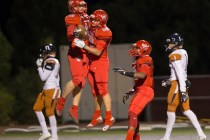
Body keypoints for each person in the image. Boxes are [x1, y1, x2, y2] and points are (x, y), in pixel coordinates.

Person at [73, 9, 115, 131]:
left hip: (100, 62)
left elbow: (97, 52)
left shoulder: (104, 32)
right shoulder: (92, 29)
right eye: (93, 19)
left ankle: (109, 117)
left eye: (96, 20)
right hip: (91, 62)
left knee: (102, 90)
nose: (93, 22)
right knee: (94, 91)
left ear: (102, 21)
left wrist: (83, 45)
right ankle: (97, 116)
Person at [160, 33, 207, 140]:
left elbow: (179, 73)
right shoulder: (183, 52)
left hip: (178, 85)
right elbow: (179, 73)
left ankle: (166, 137)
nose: (168, 45)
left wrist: (182, 91)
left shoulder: (174, 55)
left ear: (176, 43)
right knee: (186, 110)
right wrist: (168, 82)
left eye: (170, 43)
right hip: (183, 82)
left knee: (170, 110)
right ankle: (201, 134)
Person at [113, 40, 154, 140]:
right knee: (132, 115)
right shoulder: (138, 61)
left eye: (137, 48)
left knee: (133, 113)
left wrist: (124, 73)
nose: (134, 49)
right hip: (141, 90)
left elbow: (142, 75)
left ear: (144, 49)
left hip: (146, 90)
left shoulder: (146, 59)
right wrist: (131, 91)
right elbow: (139, 82)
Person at [56, 0, 89, 124]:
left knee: (81, 83)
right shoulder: (72, 18)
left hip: (86, 53)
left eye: (83, 5)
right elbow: (70, 35)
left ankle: (74, 108)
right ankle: (61, 101)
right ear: (73, 7)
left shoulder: (85, 17)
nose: (83, 8)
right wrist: (78, 35)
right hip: (76, 52)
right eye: (80, 6)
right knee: (77, 79)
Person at [33, 44, 60, 140]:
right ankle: (45, 132)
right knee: (37, 108)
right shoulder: (50, 60)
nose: (42, 55)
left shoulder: (50, 61)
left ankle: (55, 136)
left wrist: (39, 67)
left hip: (52, 89)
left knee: (50, 112)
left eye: (44, 53)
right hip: (46, 89)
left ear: (47, 53)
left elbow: (43, 77)